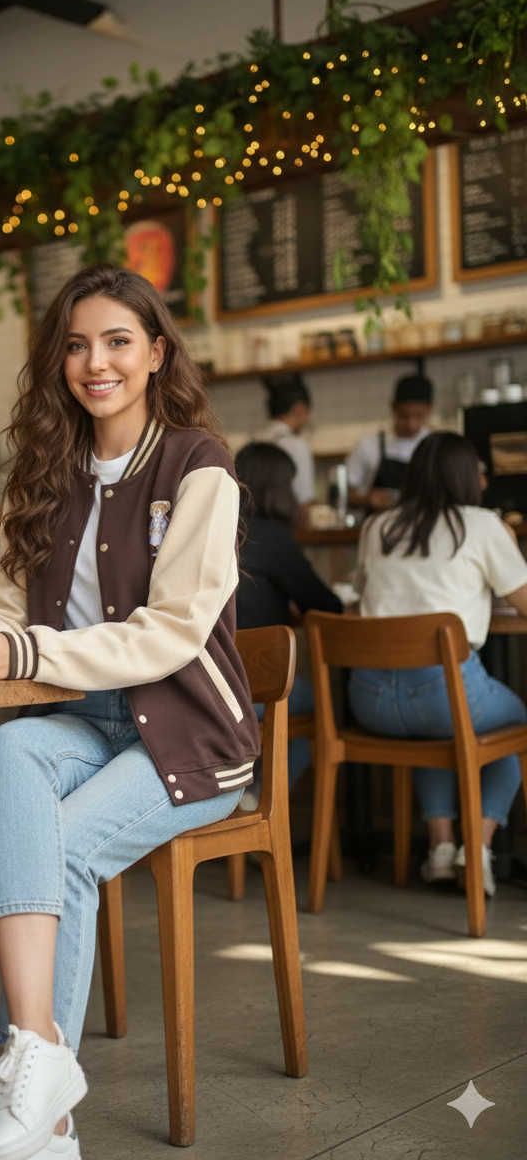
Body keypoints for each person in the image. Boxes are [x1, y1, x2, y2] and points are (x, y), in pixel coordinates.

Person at [0, 264, 259, 1160]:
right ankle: (45, 1078)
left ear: (157, 353)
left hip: (191, 736)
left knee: (65, 847)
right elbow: (6, 601)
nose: (95, 362)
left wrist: (27, 651)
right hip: (88, 720)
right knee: (9, 751)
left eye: (118, 341)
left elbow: (168, 633)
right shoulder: (42, 471)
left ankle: (38, 1096)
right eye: (76, 344)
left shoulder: (200, 468)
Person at [349, 432, 527, 898]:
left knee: (441, 731)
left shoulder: (376, 526)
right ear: (469, 476)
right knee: (516, 721)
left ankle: (442, 849)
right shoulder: (483, 524)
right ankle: (479, 850)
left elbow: (360, 597)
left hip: (368, 701)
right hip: (442, 697)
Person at [234, 442, 342, 804]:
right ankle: (257, 799)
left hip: (206, 685)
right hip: (254, 689)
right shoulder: (273, 535)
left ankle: (244, 796)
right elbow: (325, 604)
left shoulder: (213, 525)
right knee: (323, 705)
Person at [347, 372, 433, 512]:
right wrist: (368, 499)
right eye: (404, 415)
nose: (411, 423)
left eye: (419, 415)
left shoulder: (435, 447)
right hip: (379, 529)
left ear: (430, 409)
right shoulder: (368, 444)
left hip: (424, 529)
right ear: (393, 408)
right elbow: (345, 495)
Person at [254, 373, 316, 506]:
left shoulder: (253, 441)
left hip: (250, 524)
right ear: (299, 410)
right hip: (285, 523)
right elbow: (305, 499)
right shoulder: (296, 445)